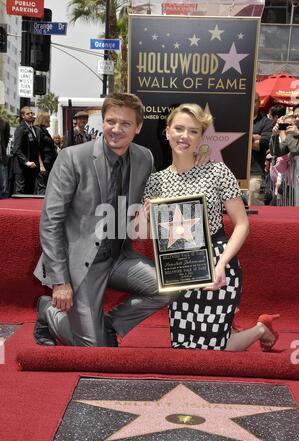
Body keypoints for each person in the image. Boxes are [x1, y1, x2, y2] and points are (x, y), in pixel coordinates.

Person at [33, 93, 175, 347]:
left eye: (125, 124)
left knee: (170, 286)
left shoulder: (145, 158)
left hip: (119, 257)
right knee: (94, 351)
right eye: (111, 121)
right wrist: (60, 281)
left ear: (138, 127)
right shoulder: (72, 157)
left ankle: (108, 326)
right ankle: (49, 312)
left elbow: (159, 196)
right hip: (80, 264)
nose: (116, 129)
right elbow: (50, 222)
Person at [143, 103, 279, 351]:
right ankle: (256, 329)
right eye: (179, 129)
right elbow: (156, 236)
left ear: (201, 137)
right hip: (180, 267)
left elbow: (241, 224)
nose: (185, 136)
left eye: (193, 131)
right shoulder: (155, 181)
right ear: (167, 132)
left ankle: (260, 329)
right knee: (184, 347)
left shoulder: (217, 171)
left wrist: (221, 264)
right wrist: (148, 217)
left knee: (213, 350)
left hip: (218, 264)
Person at [249, 92, 274, 206]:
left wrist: (242, 138)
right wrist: (255, 136)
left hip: (255, 172)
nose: (251, 103)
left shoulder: (267, 123)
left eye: (254, 101)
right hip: (233, 172)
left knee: (255, 207)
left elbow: (263, 145)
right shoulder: (237, 120)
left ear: (259, 103)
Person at [12, 107, 40, 194]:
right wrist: (26, 162)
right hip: (21, 168)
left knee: (30, 193)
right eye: (28, 114)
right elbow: (16, 149)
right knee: (20, 193)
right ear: (23, 116)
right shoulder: (20, 129)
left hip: (32, 167)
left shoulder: (33, 129)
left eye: (31, 113)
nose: (31, 115)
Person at [34, 112, 58, 195]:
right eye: (48, 119)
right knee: (42, 187)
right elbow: (37, 149)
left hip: (49, 162)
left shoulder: (44, 130)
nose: (50, 121)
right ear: (43, 119)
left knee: (47, 185)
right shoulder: (38, 130)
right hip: (44, 162)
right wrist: (41, 165)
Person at [0, 115, 10, 199]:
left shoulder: (4, 122)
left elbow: (6, 139)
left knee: (3, 178)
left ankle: (3, 195)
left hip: (1, 154)